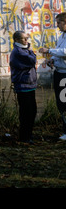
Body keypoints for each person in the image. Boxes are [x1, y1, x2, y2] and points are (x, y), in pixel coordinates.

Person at [40, 12, 66, 140]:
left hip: (65, 74)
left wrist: (49, 51)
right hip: (59, 72)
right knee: (61, 102)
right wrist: (51, 60)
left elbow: (65, 52)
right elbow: (59, 52)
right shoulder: (62, 36)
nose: (57, 25)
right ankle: (64, 129)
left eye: (59, 23)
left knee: (65, 101)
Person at [9, 30, 37, 143]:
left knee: (32, 111)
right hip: (23, 85)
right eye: (23, 39)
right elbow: (32, 60)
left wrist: (30, 51)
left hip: (30, 84)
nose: (26, 41)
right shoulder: (18, 52)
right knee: (26, 112)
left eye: (27, 38)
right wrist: (31, 52)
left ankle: (28, 135)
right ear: (16, 40)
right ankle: (24, 137)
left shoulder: (24, 50)